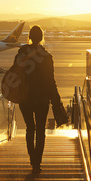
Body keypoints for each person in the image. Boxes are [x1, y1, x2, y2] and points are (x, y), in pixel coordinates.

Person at [12, 25, 62, 173]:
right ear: (41, 38)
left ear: (29, 37)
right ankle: (36, 163)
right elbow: (50, 81)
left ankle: (31, 157)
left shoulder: (20, 55)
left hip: (25, 97)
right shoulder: (46, 57)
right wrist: (56, 101)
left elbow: (14, 75)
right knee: (40, 130)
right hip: (41, 99)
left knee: (30, 129)